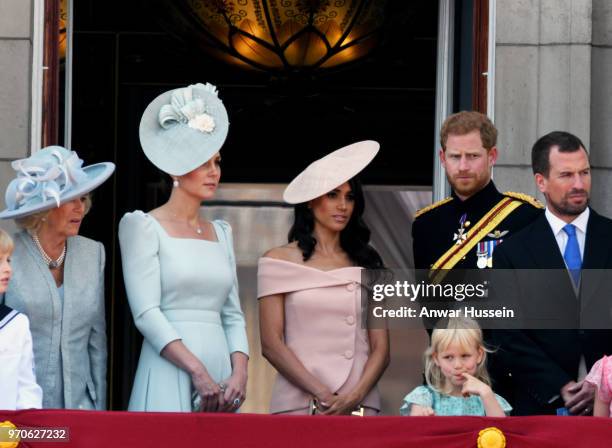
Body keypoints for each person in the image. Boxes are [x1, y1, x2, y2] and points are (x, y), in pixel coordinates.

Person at [119, 82, 249, 412]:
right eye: (203, 162)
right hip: (170, 368)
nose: (213, 172)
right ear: (174, 170)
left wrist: (241, 372)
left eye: (217, 162)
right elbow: (146, 313)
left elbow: (233, 314)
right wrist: (196, 370)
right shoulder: (141, 226)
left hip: (220, 374)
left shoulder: (222, 232)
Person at [258, 141, 390, 415]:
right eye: (333, 195)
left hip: (360, 405)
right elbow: (271, 344)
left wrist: (354, 397)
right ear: (310, 200)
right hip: (298, 403)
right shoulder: (277, 260)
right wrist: (323, 395)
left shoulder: (368, 262)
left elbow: (381, 349)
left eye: (350, 196)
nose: (343, 205)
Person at [492, 131, 612, 415]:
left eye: (584, 173)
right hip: (541, 406)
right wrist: (559, 385)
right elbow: (506, 334)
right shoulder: (512, 252)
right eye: (566, 175)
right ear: (541, 181)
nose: (579, 184)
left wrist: (605, 379)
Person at [0, 146, 114, 409]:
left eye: (83, 199)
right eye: (71, 199)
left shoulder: (93, 252)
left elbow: (96, 343)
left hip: (81, 408)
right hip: (21, 408)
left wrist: (100, 410)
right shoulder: (10, 256)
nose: (80, 208)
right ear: (44, 209)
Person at [412, 111, 543, 275]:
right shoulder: (426, 224)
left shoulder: (525, 217)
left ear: (492, 156)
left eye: (473, 156)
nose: (463, 166)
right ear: (443, 159)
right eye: (455, 156)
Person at [399, 317, 511, 416]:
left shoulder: (489, 398)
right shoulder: (423, 398)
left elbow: (501, 432)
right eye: (448, 357)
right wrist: (423, 421)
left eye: (465, 356)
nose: (457, 365)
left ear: (479, 355)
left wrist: (486, 393)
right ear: (436, 358)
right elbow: (414, 432)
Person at [0, 229, 43, 410]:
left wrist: (20, 435)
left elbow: (27, 391)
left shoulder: (17, 324)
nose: (8, 268)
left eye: (8, 259)